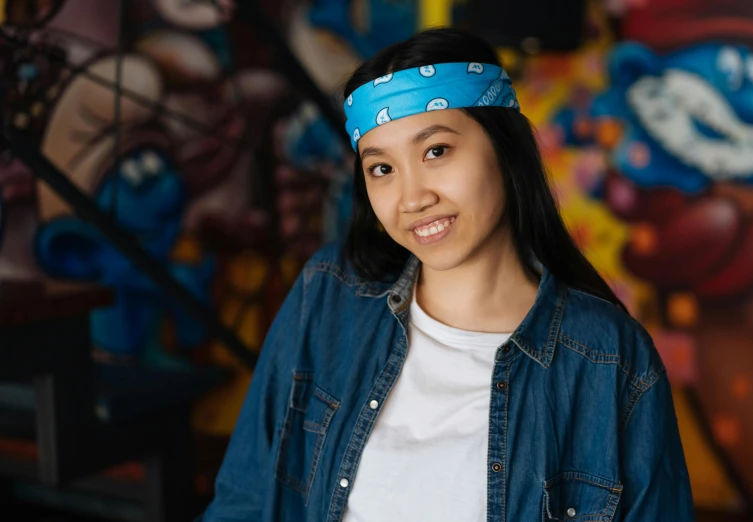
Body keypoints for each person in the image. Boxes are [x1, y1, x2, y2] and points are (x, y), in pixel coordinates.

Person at [199, 28, 694, 522]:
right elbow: (242, 500)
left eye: (435, 151)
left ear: (504, 147)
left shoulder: (607, 358)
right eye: (382, 169)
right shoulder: (329, 294)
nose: (412, 198)